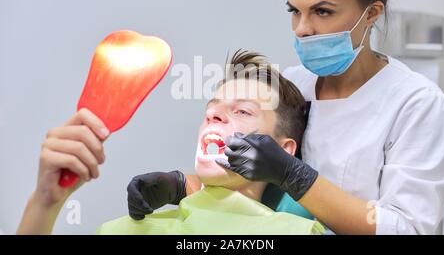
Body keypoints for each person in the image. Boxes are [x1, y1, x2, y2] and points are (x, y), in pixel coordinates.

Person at [127, 0, 444, 234]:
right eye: (294, 11)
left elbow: (406, 228)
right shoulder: (294, 82)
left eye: (322, 11)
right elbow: (250, 188)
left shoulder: (416, 104)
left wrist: (294, 176)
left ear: (371, 14)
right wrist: (182, 186)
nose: (302, 28)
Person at [17, 50, 323, 235]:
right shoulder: (125, 230)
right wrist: (45, 203)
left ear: (284, 152)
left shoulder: (296, 232)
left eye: (242, 111)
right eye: (211, 111)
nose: (214, 116)